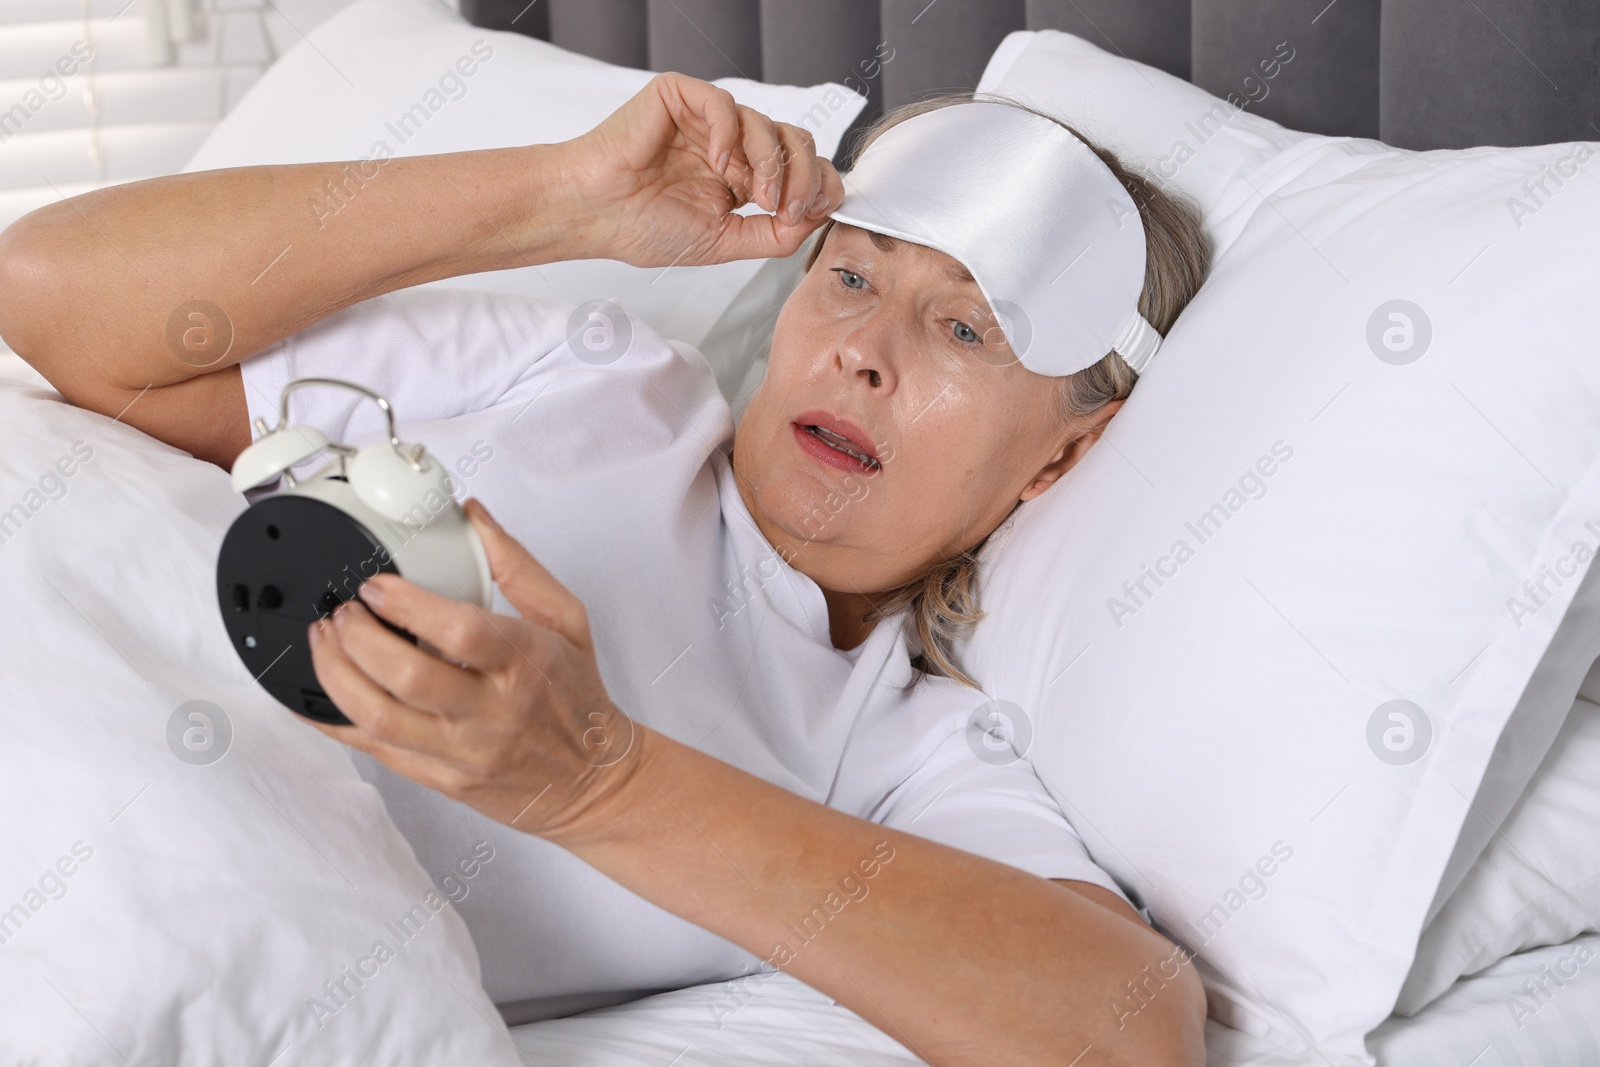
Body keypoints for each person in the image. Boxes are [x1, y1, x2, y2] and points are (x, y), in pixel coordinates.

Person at [0, 72, 1210, 1065]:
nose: (862, 355)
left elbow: (1129, 1028)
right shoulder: (591, 377)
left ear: (1064, 454)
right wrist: (563, 199)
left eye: (963, 329)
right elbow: (48, 294)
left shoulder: (896, 757)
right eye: (848, 276)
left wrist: (597, 782)